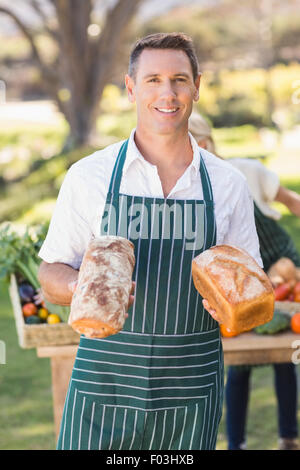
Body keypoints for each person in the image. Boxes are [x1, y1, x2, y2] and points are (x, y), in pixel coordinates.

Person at [37, 33, 263, 451]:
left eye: (179, 79)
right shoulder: (90, 176)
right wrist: (81, 288)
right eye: (153, 79)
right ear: (130, 87)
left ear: (197, 85)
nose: (168, 93)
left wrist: (235, 312)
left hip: (190, 389)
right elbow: (50, 270)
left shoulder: (228, 184)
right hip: (104, 387)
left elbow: (252, 291)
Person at [188, 111, 300, 451]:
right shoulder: (186, 186)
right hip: (238, 285)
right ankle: (236, 443)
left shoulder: (243, 172)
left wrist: (286, 268)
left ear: (204, 143)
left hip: (280, 271)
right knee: (238, 363)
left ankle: (288, 439)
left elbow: (294, 204)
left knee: (283, 358)